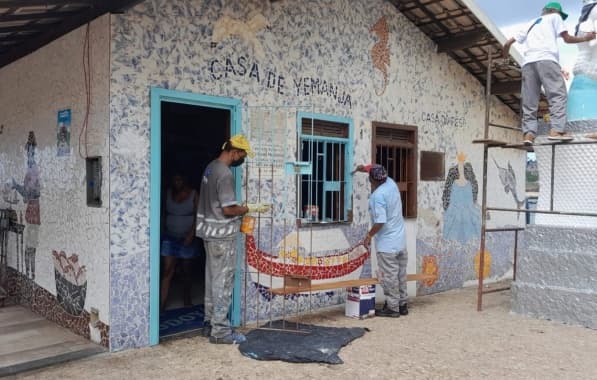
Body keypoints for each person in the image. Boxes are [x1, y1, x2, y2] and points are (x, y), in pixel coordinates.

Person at [196, 134, 267, 344]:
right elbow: (228, 209)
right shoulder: (225, 174)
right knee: (223, 283)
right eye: (242, 155)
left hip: (208, 233)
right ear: (234, 151)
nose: (241, 159)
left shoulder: (210, 167)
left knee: (211, 280)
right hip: (222, 236)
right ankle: (221, 331)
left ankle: (209, 323)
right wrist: (248, 208)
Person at [502, 2, 597, 144]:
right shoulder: (555, 17)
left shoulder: (530, 23)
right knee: (558, 95)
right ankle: (557, 131)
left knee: (530, 100)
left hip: (528, 64)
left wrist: (505, 57)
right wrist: (586, 38)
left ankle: (528, 135)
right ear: (554, 11)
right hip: (546, 59)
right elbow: (567, 39)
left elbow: (507, 43)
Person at [357, 164, 408, 318]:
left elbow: (380, 221)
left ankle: (392, 308)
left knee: (389, 276)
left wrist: (368, 236)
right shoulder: (391, 183)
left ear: (371, 179)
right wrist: (363, 168)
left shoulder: (377, 196)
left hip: (387, 245)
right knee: (400, 274)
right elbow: (374, 168)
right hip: (400, 241)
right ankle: (402, 304)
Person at [160, 171, 200, 310]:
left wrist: (191, 234)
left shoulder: (194, 194)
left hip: (187, 237)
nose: (177, 183)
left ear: (185, 180)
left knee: (186, 271)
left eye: (180, 180)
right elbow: (164, 213)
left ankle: (187, 299)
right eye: (175, 180)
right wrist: (162, 231)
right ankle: (161, 304)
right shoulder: (168, 193)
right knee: (167, 270)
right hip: (169, 237)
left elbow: (198, 215)